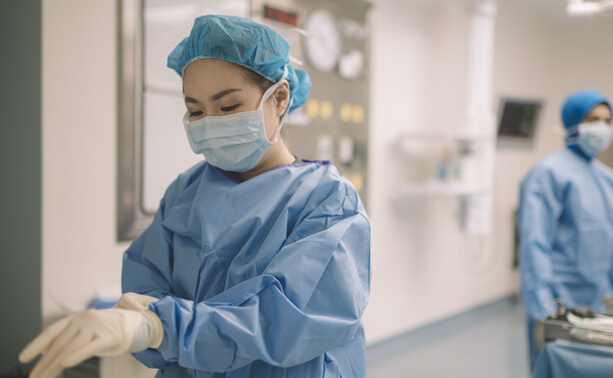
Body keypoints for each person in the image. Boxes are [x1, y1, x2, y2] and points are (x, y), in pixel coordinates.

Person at [19, 15, 371, 378]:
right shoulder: (185, 194)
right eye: (196, 111)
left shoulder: (329, 202)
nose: (212, 123)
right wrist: (136, 321)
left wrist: (160, 328)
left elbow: (282, 318)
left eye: (229, 107)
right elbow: (147, 283)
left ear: (280, 98)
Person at [517, 89, 613, 369]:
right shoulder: (549, 173)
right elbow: (534, 243)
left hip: (600, 300)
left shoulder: (609, 178)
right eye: (592, 119)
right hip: (559, 302)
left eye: (607, 120)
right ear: (572, 122)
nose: (601, 127)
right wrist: (545, 308)